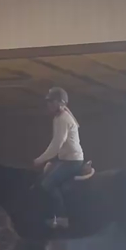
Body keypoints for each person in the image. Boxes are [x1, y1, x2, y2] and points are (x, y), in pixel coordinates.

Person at [33, 87, 84, 229]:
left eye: (52, 101)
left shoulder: (63, 119)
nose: (49, 104)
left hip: (72, 161)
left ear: (61, 103)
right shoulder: (58, 118)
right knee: (42, 177)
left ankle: (62, 217)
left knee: (47, 183)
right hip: (64, 159)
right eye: (48, 102)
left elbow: (56, 144)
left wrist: (40, 159)